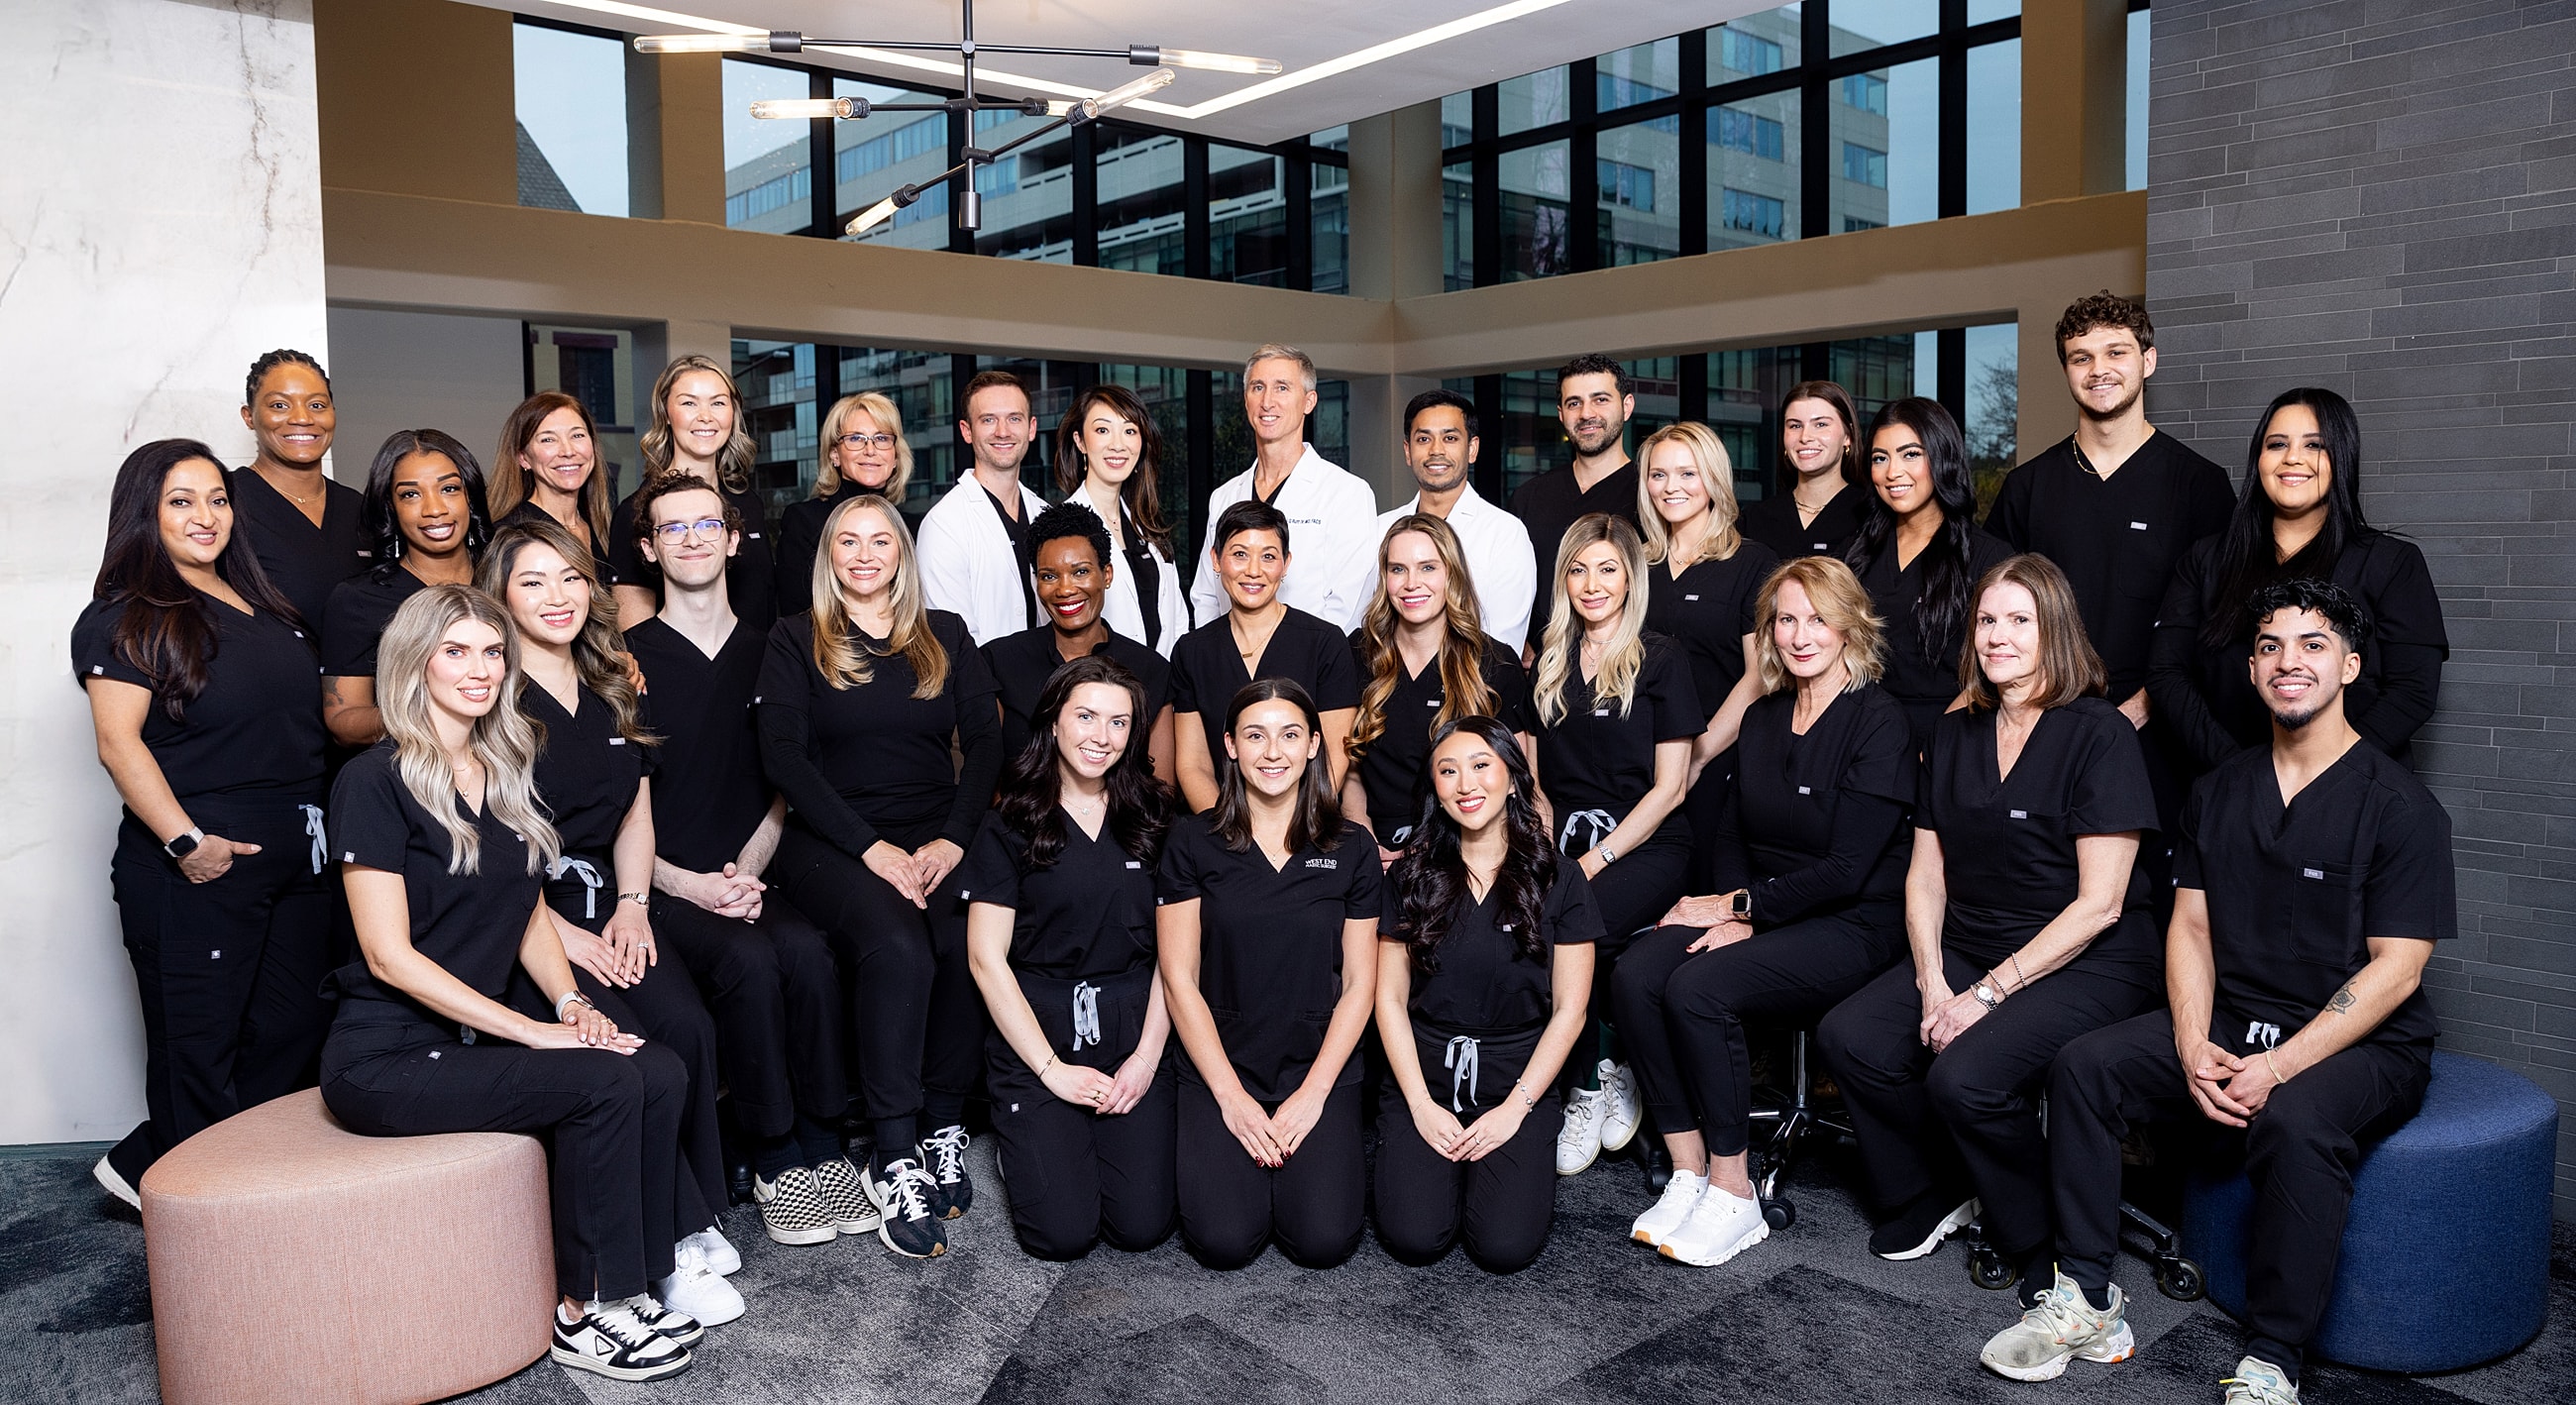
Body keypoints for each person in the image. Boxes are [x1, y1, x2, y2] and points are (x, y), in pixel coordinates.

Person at [1977, 581, 2452, 1405]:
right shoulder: (2220, 789)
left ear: (2350, 664)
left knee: (2300, 1119)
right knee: (2086, 1066)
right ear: (2252, 667)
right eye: (2269, 646)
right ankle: (2088, 1295)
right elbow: (2190, 929)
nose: (2287, 662)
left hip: (2368, 1042)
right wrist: (2194, 1043)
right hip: (2233, 1017)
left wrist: (2278, 1068)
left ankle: (2275, 1356)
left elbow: (2397, 970)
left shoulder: (2400, 806)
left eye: (2311, 645)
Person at [318, 585, 698, 1381]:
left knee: (658, 1068)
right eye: (456, 650)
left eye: (492, 651)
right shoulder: (373, 780)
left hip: (466, 1041)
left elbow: (524, 910)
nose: (480, 668)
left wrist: (571, 1002)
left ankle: (639, 1281)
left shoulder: (502, 769)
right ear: (414, 661)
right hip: (384, 1059)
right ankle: (586, 1312)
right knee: (601, 1084)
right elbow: (387, 956)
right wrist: (532, 1030)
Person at [1817, 555, 2162, 1295]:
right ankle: (1936, 1189)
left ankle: (2038, 1235)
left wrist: (1985, 996)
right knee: (1853, 1039)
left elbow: (2100, 904)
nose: (1998, 636)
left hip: (2090, 956)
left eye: (2020, 620)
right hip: (1972, 942)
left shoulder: (2098, 734)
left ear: (2055, 630)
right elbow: (1926, 872)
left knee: (1965, 1077)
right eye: (1987, 620)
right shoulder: (1954, 732)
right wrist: (1933, 976)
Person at [479, 520, 742, 1326]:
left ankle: (697, 1221)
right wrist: (564, 932)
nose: (555, 597)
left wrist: (632, 906)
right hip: (528, 921)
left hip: (612, 903)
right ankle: (671, 1249)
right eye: (532, 582)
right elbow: (491, 850)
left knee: (689, 1026)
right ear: (499, 595)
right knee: (638, 1053)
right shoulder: (488, 695)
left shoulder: (611, 677)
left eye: (568, 579)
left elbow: (635, 808)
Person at [1617, 555, 1913, 1266]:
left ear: (1850, 626)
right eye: (1785, 619)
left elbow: (1849, 869)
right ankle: (1689, 1170)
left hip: (1853, 922)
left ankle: (1734, 1190)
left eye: (1817, 618)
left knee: (1699, 986)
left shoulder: (1880, 721)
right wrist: (1733, 908)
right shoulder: (1765, 715)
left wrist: (1745, 910)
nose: (1800, 633)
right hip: (1761, 909)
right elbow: (1733, 835)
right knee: (1634, 973)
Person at [75, 440, 332, 1206]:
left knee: (291, 1032)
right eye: (181, 501)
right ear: (144, 514)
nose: (206, 515)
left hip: (300, 856)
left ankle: (154, 1165)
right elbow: (118, 743)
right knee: (202, 1048)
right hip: (197, 862)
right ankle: (211, 1219)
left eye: (217, 498)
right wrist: (187, 843)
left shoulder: (263, 603)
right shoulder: (126, 616)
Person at [758, 493, 1004, 1259]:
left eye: (881, 542)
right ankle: (892, 1151)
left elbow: (989, 745)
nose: (865, 556)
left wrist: (953, 841)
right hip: (832, 839)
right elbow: (784, 760)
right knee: (897, 945)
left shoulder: (947, 635)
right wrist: (872, 849)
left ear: (903, 553)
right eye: (848, 543)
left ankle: (941, 1124)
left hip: (936, 833)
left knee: (968, 934)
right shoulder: (795, 639)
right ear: (828, 556)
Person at [619, 472, 859, 1250]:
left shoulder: (776, 649)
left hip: (755, 870)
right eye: (672, 528)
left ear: (732, 539)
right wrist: (691, 885)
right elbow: (626, 800)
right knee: (751, 963)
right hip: (663, 883)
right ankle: (775, 1153)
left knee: (809, 953)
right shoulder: (627, 663)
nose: (691, 539)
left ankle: (825, 1139)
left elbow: (787, 780)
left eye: (705, 525)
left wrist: (747, 875)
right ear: (650, 549)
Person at [1157, 680, 1380, 1268]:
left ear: (1313, 745)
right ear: (1230, 745)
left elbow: (1361, 984)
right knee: (1224, 1242)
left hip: (1316, 1064)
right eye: (1255, 736)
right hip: (1222, 1063)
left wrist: (1314, 1094)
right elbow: (1179, 978)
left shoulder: (1352, 847)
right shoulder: (1191, 842)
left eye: (1289, 735)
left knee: (1323, 1242)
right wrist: (1229, 1097)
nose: (1273, 752)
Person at [963, 655, 1179, 1258]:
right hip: (1042, 1029)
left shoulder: (1156, 818)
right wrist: (1051, 1070)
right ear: (1054, 721)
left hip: (1138, 1025)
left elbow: (1175, 958)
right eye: (1085, 717)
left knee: (1140, 1228)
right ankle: (1025, 1145)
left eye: (1118, 723)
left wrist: (1143, 1059)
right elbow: (986, 959)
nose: (1100, 737)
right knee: (1061, 1235)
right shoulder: (1010, 822)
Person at [1374, 717, 1598, 1272]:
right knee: (1414, 1237)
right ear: (1434, 790)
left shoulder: (1560, 878)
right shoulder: (1410, 876)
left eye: (1480, 766)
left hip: (1517, 1078)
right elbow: (1387, 1001)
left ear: (1513, 779)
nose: (1465, 784)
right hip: (1424, 1073)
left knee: (1503, 1248)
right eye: (1447, 772)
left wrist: (1514, 1110)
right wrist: (1421, 1106)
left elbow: (1572, 1011)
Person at [2149, 387, 2447, 774]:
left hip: (2352, 789)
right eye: (2277, 444)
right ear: (2259, 459)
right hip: (2224, 784)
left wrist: (2323, 775)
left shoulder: (2393, 563)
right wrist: (2238, 772)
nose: (2293, 458)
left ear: (2342, 458)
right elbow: (2166, 674)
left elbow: (2413, 692)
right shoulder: (2206, 560)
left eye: (2314, 445)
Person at [1527, 512, 1699, 1177]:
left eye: (1607, 569)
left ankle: (1597, 1079)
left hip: (1646, 844)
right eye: (1578, 570)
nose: (1592, 584)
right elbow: (1536, 780)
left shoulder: (1661, 657)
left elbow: (1670, 789)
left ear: (1631, 578)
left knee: (1577, 924)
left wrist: (1596, 861)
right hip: (1566, 842)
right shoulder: (1547, 659)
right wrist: (1547, 845)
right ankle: (1596, 1072)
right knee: (1530, 923)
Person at [1986, 293, 2234, 730]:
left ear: (2148, 360)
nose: (2099, 369)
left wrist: (2142, 709)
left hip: (2160, 727)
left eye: (2116, 352)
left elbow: (2216, 623)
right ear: (2066, 371)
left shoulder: (2200, 485)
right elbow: (1996, 613)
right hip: (2044, 720)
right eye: (2081, 358)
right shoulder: (2026, 488)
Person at [1635, 421, 1778, 889]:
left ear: (1714, 479)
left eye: (1687, 474)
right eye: (1658, 475)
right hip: (1637, 754)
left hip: (1716, 757)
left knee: (1699, 883)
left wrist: (1695, 756)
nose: (1671, 487)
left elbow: (1759, 676)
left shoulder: (1752, 562)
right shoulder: (1635, 562)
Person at [1342, 513, 1533, 859]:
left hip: (1462, 845)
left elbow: (1518, 779)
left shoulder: (1494, 663)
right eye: (1397, 569)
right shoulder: (1358, 653)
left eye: (1428, 567)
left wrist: (1433, 849)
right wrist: (1364, 840)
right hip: (1375, 846)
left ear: (1451, 574)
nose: (1411, 582)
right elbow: (1350, 769)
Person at [1845, 397, 2015, 753]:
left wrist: (1936, 748)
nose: (1893, 472)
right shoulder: (1855, 555)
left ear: (1941, 457)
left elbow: (1994, 673)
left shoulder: (1989, 558)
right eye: (1880, 458)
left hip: (1951, 741)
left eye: (1910, 454)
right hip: (1862, 740)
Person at [1171, 499, 1359, 813]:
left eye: (1268, 556)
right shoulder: (1192, 651)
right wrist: (1227, 833)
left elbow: (1332, 759)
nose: (1254, 571)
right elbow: (1194, 765)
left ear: (1286, 564)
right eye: (1240, 554)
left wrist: (1286, 830)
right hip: (1221, 830)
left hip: (1305, 827)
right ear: (1216, 559)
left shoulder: (1324, 643)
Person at [1187, 345, 1379, 632]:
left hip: (1308, 667)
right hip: (1231, 666)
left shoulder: (1347, 492)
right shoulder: (1224, 497)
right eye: (1257, 387)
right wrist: (1217, 656)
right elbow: (1206, 597)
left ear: (1309, 402)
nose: (1267, 401)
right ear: (1246, 399)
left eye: (1282, 388)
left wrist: (1296, 659)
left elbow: (1350, 606)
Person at [322, 429, 493, 746]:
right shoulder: (359, 599)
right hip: (417, 777)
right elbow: (342, 721)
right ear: (391, 506)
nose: (434, 509)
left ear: (469, 496)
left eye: (449, 489)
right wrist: (425, 712)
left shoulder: (507, 580)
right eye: (411, 494)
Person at [983, 502, 1176, 782]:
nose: (1065, 589)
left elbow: (1162, 788)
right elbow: (986, 780)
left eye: (1080, 572)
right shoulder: (1000, 661)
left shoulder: (1150, 669)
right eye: (1049, 576)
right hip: (1019, 824)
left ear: (1106, 575)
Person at [610, 356, 777, 633]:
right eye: (689, 403)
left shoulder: (749, 504)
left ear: (732, 414)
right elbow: (635, 638)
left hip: (760, 669)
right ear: (665, 414)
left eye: (718, 403)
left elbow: (763, 600)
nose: (706, 416)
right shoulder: (637, 511)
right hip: (681, 671)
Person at [1374, 389, 1537, 652]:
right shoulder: (1381, 530)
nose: (1436, 450)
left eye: (1450, 438)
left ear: (1472, 449)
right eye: (1423, 439)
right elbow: (1369, 624)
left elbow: (1503, 650)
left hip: (1473, 687)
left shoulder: (1504, 534)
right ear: (1407, 450)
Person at [1510, 355, 1644, 655]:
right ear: (1561, 414)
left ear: (1627, 406)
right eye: (1574, 403)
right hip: (1543, 670)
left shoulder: (1650, 496)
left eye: (1600, 400)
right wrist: (1525, 643)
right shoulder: (1529, 497)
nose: (1586, 414)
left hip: (1627, 663)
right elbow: (1513, 587)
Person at [231, 349, 370, 630]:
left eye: (317, 405)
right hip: (262, 673)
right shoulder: (224, 502)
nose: (302, 418)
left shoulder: (357, 508)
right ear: (249, 416)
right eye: (280, 406)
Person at [917, 371, 1050, 645]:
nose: (1003, 432)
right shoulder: (944, 524)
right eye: (988, 420)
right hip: (983, 685)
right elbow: (953, 642)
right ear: (967, 431)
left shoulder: (1045, 513)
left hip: (1052, 682)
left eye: (1014, 418)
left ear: (1032, 428)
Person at [1056, 383, 1190, 656]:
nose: (1118, 445)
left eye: (1129, 431)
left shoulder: (1147, 525)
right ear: (1080, 441)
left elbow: (1176, 622)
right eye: (1103, 430)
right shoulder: (1062, 528)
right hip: (1096, 688)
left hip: (1161, 689)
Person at [779, 390, 917, 619]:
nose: (870, 450)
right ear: (835, 454)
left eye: (882, 438)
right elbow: (797, 613)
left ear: (895, 457)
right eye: (855, 439)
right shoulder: (804, 521)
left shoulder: (914, 527)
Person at [1738, 380, 1870, 563]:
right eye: (1795, 426)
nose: (1805, 437)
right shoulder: (1754, 520)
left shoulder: (1870, 514)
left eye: (1821, 424)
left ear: (1848, 436)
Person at [490, 391, 614, 579]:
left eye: (577, 435)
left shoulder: (599, 524)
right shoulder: (511, 533)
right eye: (548, 439)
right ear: (523, 458)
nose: (568, 451)